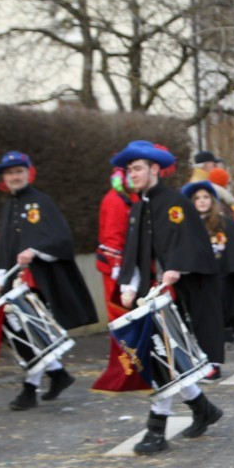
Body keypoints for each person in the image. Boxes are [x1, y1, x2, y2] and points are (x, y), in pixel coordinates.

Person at [114, 140, 225, 454]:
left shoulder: (175, 204)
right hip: (152, 297)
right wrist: (128, 284)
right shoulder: (138, 207)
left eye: (137, 168)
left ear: (154, 169)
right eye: (128, 169)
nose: (131, 174)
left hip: (177, 295)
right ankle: (202, 407)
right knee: (162, 356)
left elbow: (189, 244)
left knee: (163, 357)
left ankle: (156, 428)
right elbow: (135, 254)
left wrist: (175, 268)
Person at [0, 151, 96, 409]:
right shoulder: (8, 207)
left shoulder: (41, 202)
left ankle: (31, 389)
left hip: (41, 281)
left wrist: (34, 251)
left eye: (18, 171)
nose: (14, 176)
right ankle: (57, 374)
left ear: (28, 172)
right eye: (10, 172)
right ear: (4, 177)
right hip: (16, 284)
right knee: (23, 332)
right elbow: (4, 249)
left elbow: (62, 240)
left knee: (32, 333)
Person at [91, 161, 150, 394]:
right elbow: (112, 240)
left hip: (129, 271)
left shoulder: (131, 198)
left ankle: (136, 368)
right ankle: (127, 370)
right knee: (123, 321)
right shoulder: (115, 200)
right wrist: (122, 277)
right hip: (118, 273)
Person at [184, 180, 234, 338]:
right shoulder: (188, 223)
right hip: (197, 272)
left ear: (212, 201)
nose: (202, 201)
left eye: (206, 197)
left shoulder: (222, 222)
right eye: (197, 198)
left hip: (220, 271)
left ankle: (224, 324)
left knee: (222, 292)